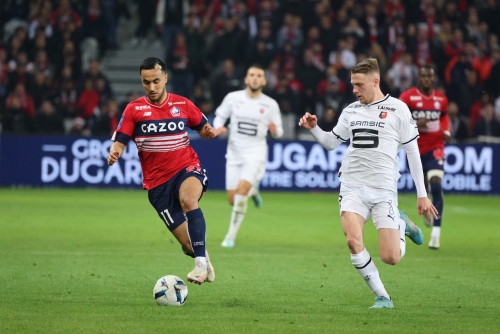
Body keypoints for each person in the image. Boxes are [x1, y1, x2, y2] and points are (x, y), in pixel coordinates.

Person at [298, 58, 437, 309]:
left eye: (359, 84)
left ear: (376, 81)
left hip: (384, 189)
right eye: (352, 84)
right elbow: (331, 142)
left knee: (391, 257)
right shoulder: (351, 110)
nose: (354, 90)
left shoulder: (399, 109)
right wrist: (314, 128)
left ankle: (401, 223)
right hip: (352, 185)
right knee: (353, 240)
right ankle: (383, 296)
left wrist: (422, 194)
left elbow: (412, 152)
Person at [107, 57, 217, 285]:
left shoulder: (183, 105)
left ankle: (198, 266)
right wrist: (115, 152)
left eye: (156, 81)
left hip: (187, 167)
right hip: (158, 185)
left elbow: (203, 128)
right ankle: (202, 257)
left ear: (165, 78)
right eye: (146, 82)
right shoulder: (134, 110)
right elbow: (119, 142)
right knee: (188, 245)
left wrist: (208, 132)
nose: (152, 87)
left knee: (188, 199)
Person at [214, 64, 284, 248]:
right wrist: (218, 126)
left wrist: (275, 131)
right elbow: (220, 115)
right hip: (234, 153)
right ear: (246, 79)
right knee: (233, 199)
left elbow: (280, 131)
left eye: (258, 75)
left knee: (241, 193)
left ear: (264, 81)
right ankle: (255, 191)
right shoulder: (233, 98)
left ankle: (230, 236)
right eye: (251, 75)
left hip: (255, 153)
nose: (254, 78)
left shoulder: (270, 104)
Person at [399, 65, 450, 249]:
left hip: (435, 148)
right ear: (419, 79)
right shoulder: (407, 97)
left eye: (430, 76)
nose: (427, 80)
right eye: (424, 77)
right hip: (414, 149)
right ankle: (426, 200)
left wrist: (446, 131)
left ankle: (435, 234)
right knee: (425, 187)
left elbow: (444, 118)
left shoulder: (441, 99)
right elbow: (397, 119)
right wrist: (416, 123)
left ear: (434, 78)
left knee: (436, 184)